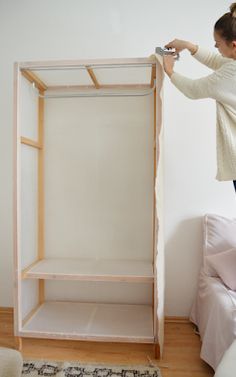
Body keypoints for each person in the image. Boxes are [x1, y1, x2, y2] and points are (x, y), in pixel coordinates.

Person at [163, 2, 236, 193]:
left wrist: (170, 71)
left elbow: (194, 89)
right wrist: (188, 46)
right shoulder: (231, 64)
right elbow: (216, 60)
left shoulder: (230, 72)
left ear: (233, 44)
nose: (215, 47)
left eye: (218, 44)